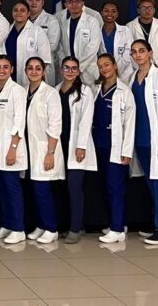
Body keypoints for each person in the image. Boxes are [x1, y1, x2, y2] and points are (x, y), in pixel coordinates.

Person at [127, 40, 158, 244]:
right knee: (151, 184)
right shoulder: (132, 77)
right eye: (134, 52)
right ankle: (157, 222)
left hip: (156, 140)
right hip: (140, 141)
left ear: (150, 53)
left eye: (142, 51)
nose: (138, 55)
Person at [91, 54, 136, 244]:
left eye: (107, 65)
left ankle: (117, 229)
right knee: (105, 186)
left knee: (115, 186)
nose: (104, 69)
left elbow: (130, 123)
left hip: (115, 147)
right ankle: (118, 223)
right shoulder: (96, 89)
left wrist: (127, 151)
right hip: (98, 145)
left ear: (115, 66)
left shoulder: (124, 92)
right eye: (100, 66)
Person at [0, 55, 28, 244]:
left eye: (5, 67)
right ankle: (7, 225)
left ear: (12, 69)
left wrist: (13, 148)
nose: (1, 70)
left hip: (10, 148)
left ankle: (18, 228)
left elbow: (19, 121)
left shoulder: (17, 91)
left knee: (12, 190)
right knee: (1, 189)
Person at [55, 56, 96, 244]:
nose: (70, 71)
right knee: (62, 188)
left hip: (77, 145)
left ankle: (76, 228)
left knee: (75, 187)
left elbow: (86, 120)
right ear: (61, 70)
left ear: (79, 71)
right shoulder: (56, 90)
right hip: (60, 144)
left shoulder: (85, 92)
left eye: (74, 68)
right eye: (66, 68)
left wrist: (81, 146)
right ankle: (67, 225)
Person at [22, 57, 63, 244]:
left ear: (44, 71)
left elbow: (55, 125)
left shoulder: (50, 93)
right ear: (25, 71)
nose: (34, 71)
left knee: (43, 190)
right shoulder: (24, 92)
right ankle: (41, 225)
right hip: (30, 149)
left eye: (38, 68)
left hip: (45, 149)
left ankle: (51, 228)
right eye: (30, 68)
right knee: (34, 190)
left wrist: (50, 153)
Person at [58, 0, 102, 87]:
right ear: (66, 5)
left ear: (82, 3)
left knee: (90, 94)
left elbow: (93, 47)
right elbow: (61, 48)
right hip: (69, 72)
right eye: (70, 2)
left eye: (77, 1)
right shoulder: (64, 25)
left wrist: (79, 68)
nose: (74, 4)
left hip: (87, 70)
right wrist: (67, 67)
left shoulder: (92, 21)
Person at [5, 0, 51, 86]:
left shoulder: (37, 31)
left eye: (22, 10)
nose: (18, 13)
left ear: (28, 13)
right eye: (15, 10)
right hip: (10, 75)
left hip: (31, 77)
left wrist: (36, 76)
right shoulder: (8, 30)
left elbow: (44, 58)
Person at [126, 0, 158, 70]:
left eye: (150, 8)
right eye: (144, 8)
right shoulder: (129, 27)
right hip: (137, 68)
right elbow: (127, 50)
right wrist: (141, 65)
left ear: (154, 10)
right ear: (138, 10)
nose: (147, 10)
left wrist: (156, 65)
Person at [26, 0, 61, 70]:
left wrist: (30, 52)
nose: (34, 2)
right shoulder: (20, 19)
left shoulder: (51, 20)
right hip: (24, 62)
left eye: (37, 0)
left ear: (42, 3)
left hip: (44, 64)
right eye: (30, 0)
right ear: (26, 2)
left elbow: (52, 45)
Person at [98, 2, 134, 78]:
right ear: (101, 13)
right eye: (106, 11)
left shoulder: (125, 30)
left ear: (117, 14)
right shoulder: (97, 31)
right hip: (104, 73)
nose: (109, 14)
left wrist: (115, 70)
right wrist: (107, 70)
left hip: (124, 73)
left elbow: (129, 53)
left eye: (113, 11)